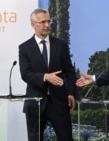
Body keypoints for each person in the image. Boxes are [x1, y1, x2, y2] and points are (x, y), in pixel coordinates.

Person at [18, 8, 76, 141]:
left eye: (49, 21)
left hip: (59, 103)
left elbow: (69, 72)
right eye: (43, 22)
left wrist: (71, 93)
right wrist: (45, 77)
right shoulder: (24, 48)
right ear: (33, 25)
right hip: (35, 103)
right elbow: (25, 74)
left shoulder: (60, 45)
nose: (47, 25)